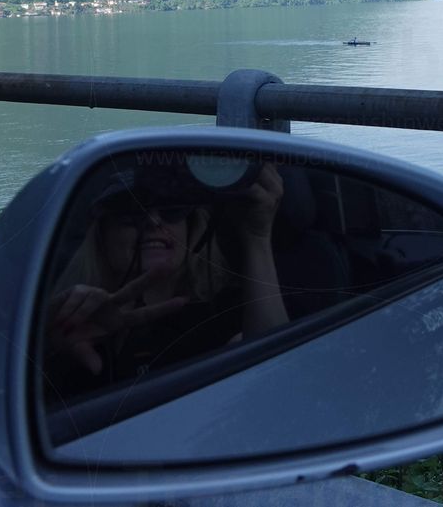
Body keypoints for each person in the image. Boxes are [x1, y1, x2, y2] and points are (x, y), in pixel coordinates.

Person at [42, 161, 289, 400]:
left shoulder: (225, 311)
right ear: (101, 236)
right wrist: (49, 344)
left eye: (172, 210)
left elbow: (274, 379)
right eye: (132, 212)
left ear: (191, 228)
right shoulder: (75, 320)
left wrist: (257, 237)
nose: (153, 221)